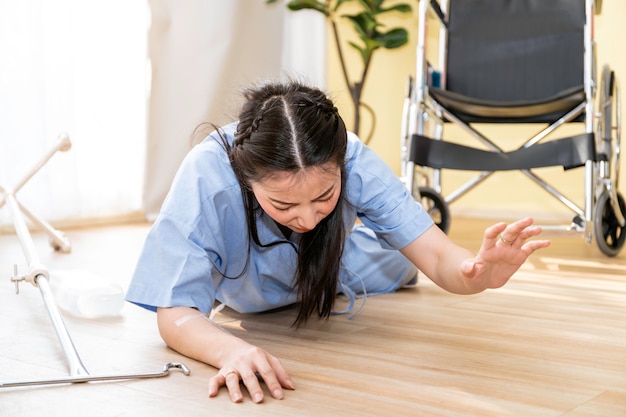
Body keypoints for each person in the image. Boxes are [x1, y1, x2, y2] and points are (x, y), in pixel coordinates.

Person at [125, 79, 550, 404]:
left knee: (401, 265)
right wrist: (229, 351)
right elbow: (176, 312)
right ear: (245, 178)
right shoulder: (207, 172)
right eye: (283, 204)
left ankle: (378, 232)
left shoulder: (353, 156)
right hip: (243, 290)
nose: (307, 218)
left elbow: (438, 256)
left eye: (325, 196)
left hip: (342, 264)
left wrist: (475, 274)